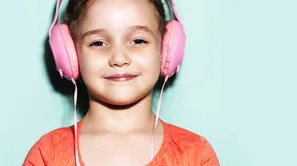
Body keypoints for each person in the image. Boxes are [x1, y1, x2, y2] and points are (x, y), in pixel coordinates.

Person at [24, 0, 219, 165]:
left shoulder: (195, 154)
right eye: (98, 43)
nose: (119, 58)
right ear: (71, 55)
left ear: (166, 49)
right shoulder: (47, 154)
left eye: (138, 41)